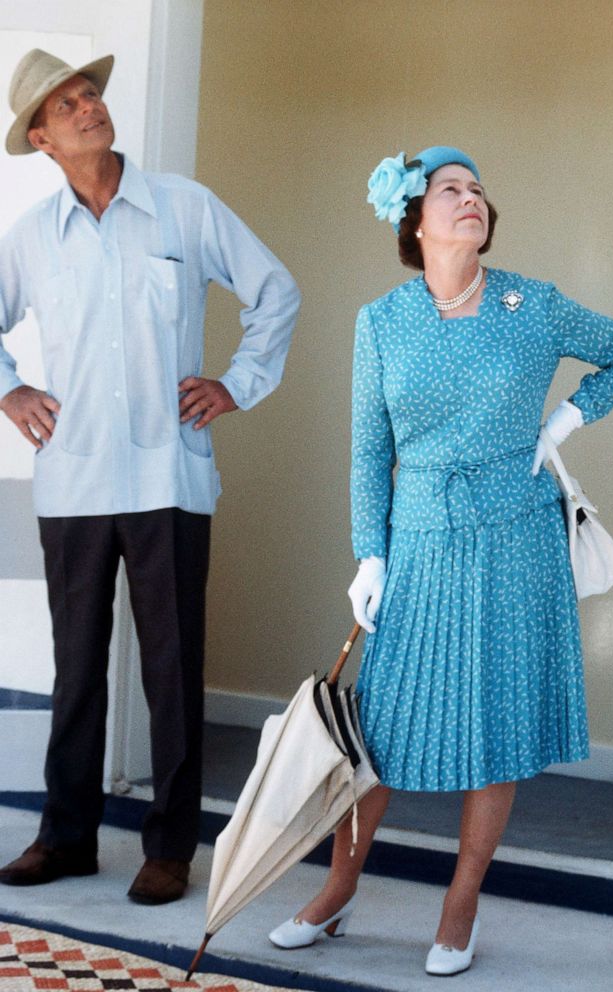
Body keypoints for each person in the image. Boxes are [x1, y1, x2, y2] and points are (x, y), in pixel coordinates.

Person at [268, 146, 613, 975]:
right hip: (419, 541)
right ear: (415, 218)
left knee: (500, 722)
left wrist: (561, 425)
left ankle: (461, 903)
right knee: (381, 729)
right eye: (451, 189)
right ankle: (338, 890)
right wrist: (368, 555)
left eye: (478, 190)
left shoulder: (533, 304)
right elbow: (369, 452)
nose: (471, 199)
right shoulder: (382, 320)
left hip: (518, 538)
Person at [0, 49, 300, 904]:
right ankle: (65, 839)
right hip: (74, 481)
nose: (89, 106)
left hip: (169, 477)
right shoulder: (31, 239)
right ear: (43, 139)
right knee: (76, 670)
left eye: (90, 92)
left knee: (171, 668)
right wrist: (10, 389)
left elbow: (275, 291)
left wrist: (234, 385)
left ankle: (169, 847)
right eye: (67, 103)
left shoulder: (184, 208)